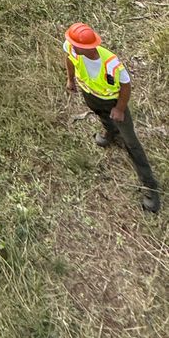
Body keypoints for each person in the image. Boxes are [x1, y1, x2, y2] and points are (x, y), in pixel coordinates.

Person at [63, 22, 160, 213]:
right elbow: (68, 58)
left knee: (131, 143)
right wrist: (70, 78)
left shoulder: (111, 64)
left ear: (88, 47)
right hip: (91, 95)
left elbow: (126, 85)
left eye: (74, 43)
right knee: (103, 118)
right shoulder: (72, 50)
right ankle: (110, 133)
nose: (70, 45)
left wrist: (120, 109)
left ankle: (150, 187)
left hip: (113, 103)